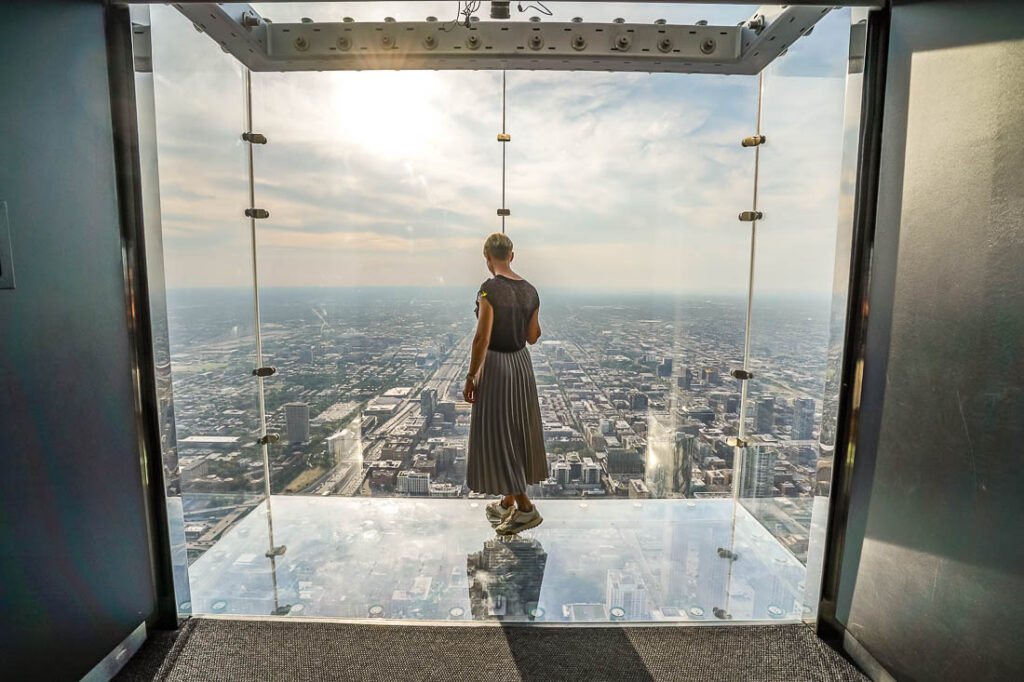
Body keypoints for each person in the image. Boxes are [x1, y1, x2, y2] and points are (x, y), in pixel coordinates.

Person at [464, 232, 547, 535]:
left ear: (488, 259)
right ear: (512, 256)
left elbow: (482, 338)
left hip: (497, 366)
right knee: (517, 430)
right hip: (522, 365)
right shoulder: (531, 291)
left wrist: (472, 375)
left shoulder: (488, 290)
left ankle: (525, 508)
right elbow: (533, 337)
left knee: (499, 432)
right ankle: (508, 501)